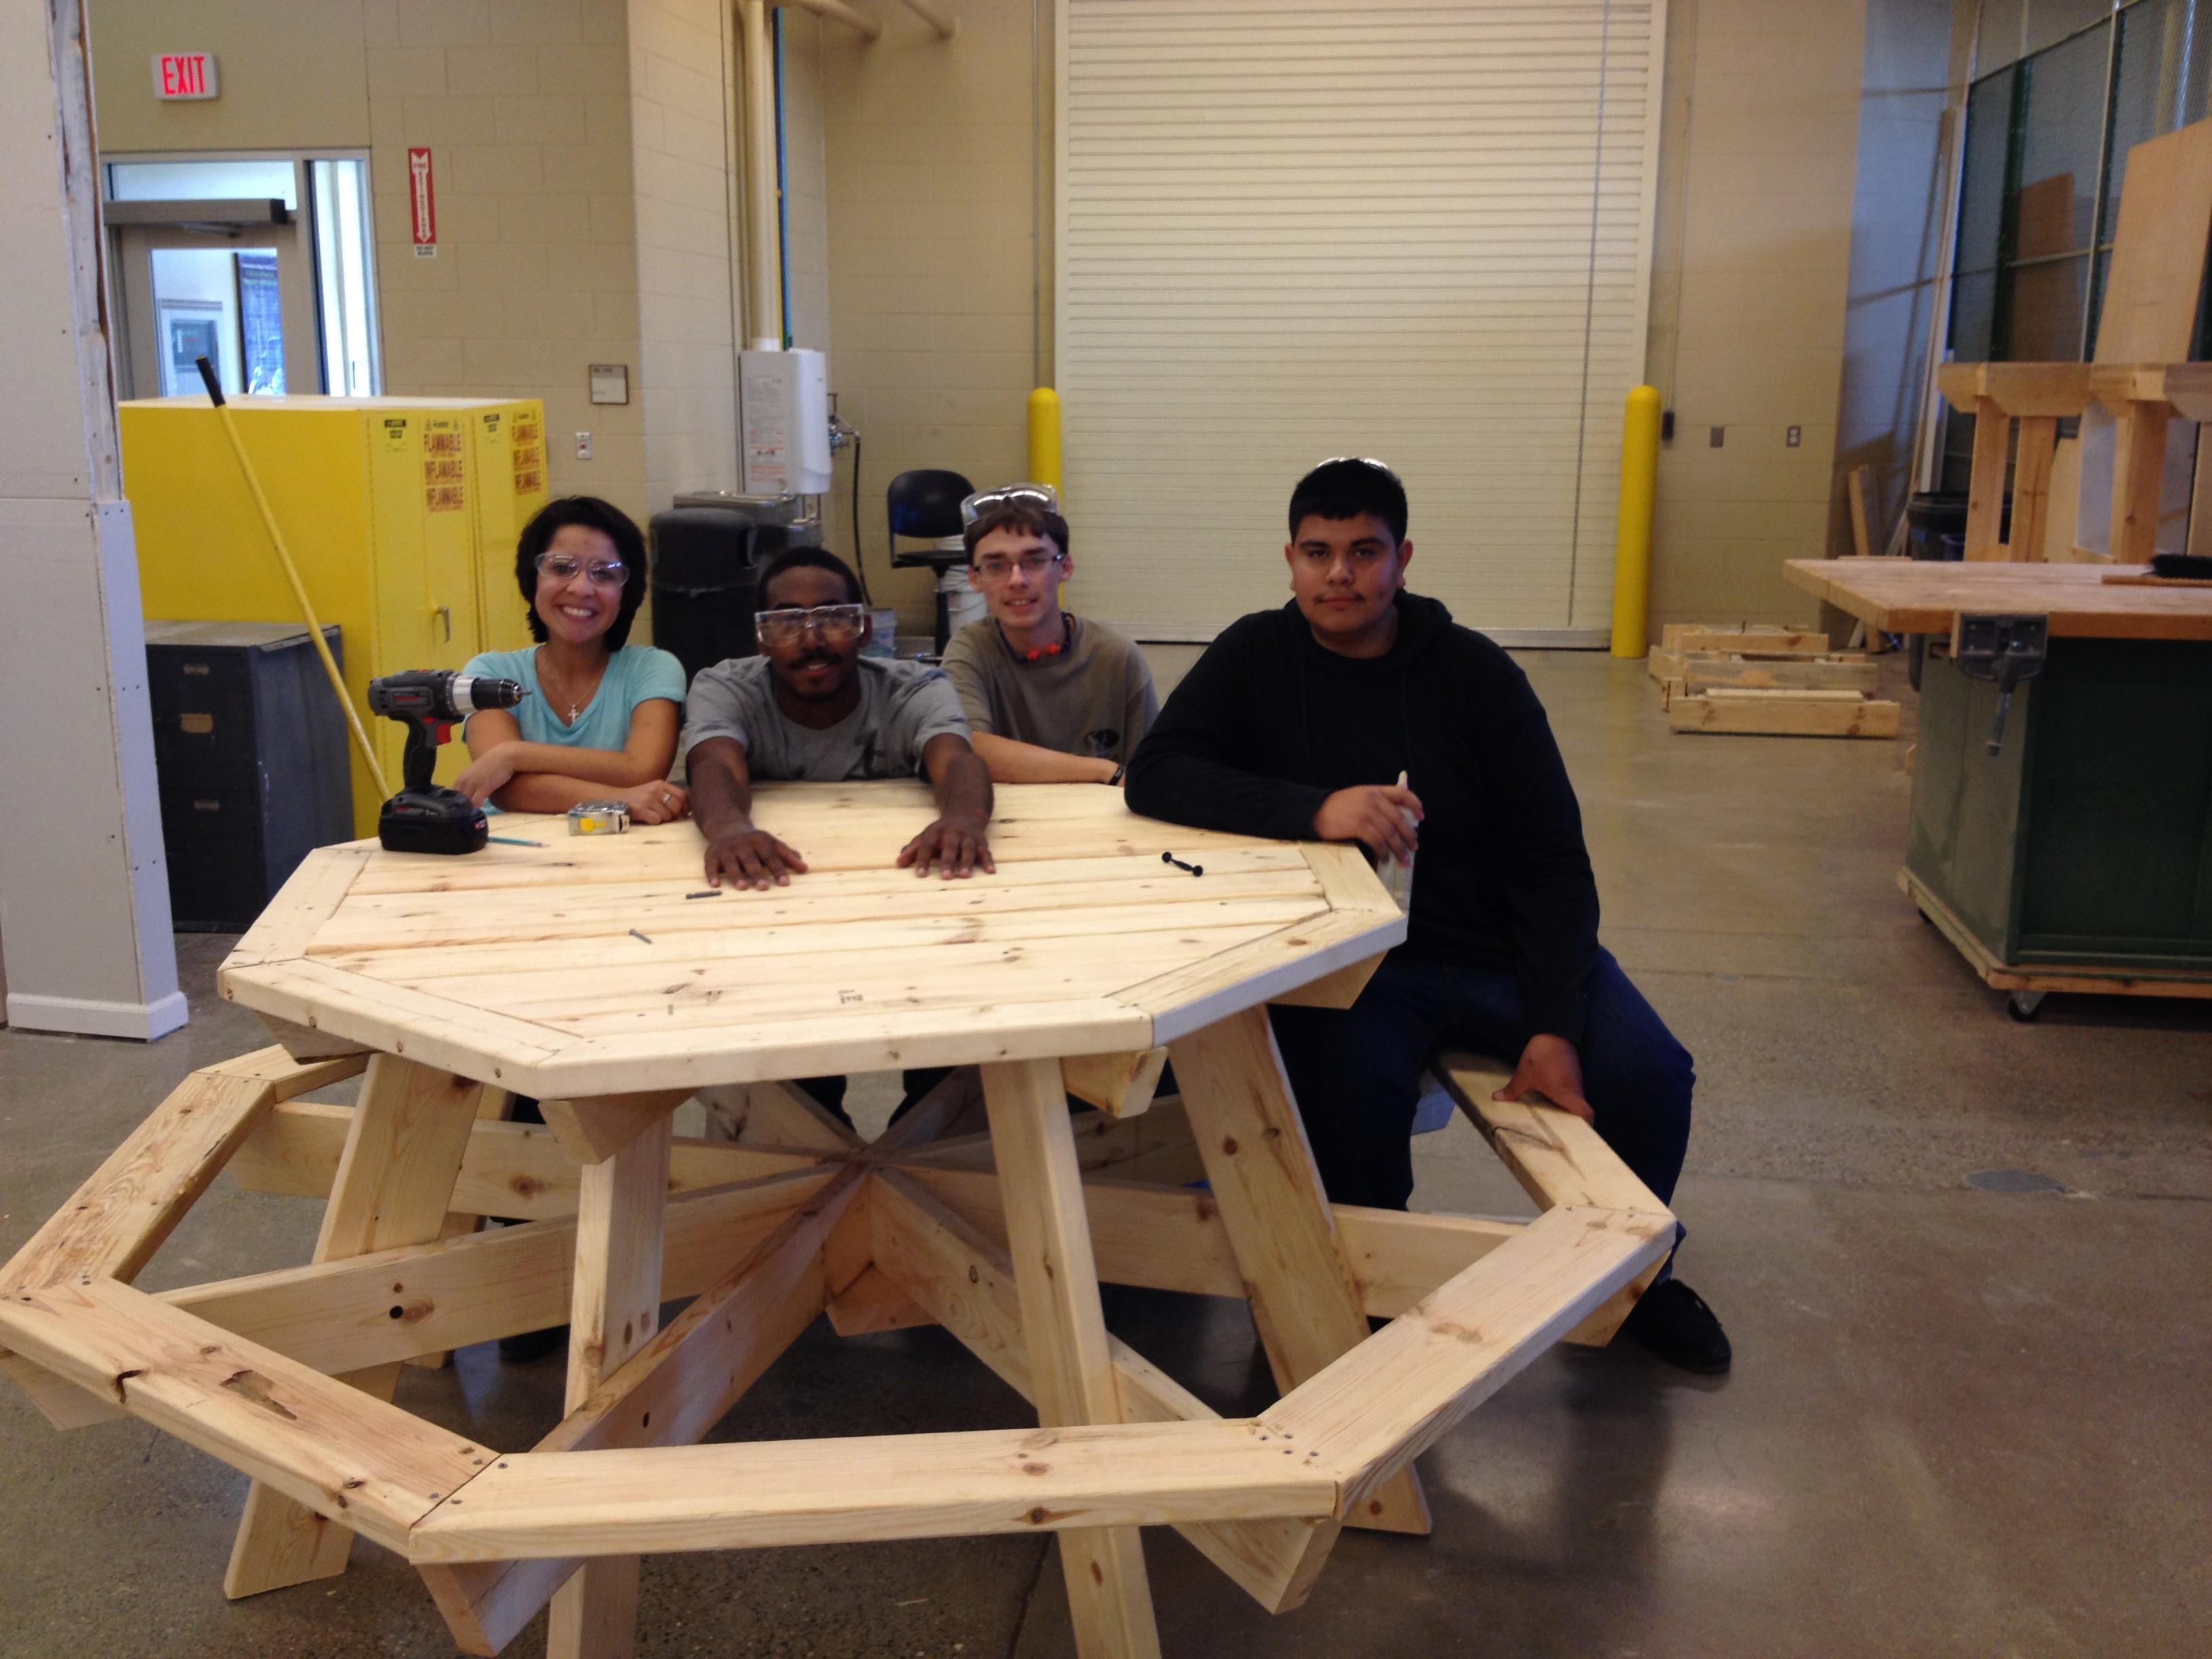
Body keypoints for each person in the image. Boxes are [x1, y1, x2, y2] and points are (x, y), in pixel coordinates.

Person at [1124, 457, 1729, 1374]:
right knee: (1343, 1107)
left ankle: (1637, 1279)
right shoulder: (1254, 656)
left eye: (1364, 552)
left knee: (1651, 1077)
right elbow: (1158, 771)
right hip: (1362, 962)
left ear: (1402, 558)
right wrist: (1315, 809)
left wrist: (1554, 1022)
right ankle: (1361, 1294)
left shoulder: (1474, 675)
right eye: (1319, 553)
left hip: (1499, 950)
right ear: (1288, 559)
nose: (1340, 576)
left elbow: (1554, 862)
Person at [682, 546, 995, 887]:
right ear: (762, 639)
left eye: (833, 618)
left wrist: (965, 819)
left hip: (897, 878)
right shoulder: (724, 688)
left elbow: (956, 762)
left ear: (864, 630)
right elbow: (715, 767)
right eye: (787, 621)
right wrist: (730, 829)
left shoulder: (916, 687)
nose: (811, 640)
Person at [457, 495, 689, 823]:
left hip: (626, 853)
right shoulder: (489, 674)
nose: (582, 588)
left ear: (627, 591)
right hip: (512, 855)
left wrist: (513, 754)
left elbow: (642, 770)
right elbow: (506, 790)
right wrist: (621, 798)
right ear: (533, 577)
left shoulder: (654, 670)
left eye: (604, 574)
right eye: (562, 568)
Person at [939, 483, 1159, 783]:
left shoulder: (1117, 657)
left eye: (1036, 560)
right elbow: (968, 749)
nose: (1017, 580)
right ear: (975, 579)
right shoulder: (970, 650)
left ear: (1065, 568)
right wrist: (1102, 770)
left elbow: (1154, 770)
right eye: (996, 565)